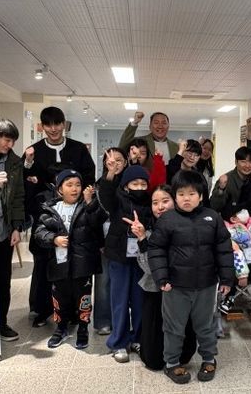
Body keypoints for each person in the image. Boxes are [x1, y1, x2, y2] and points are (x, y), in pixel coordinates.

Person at [147, 170, 234, 384]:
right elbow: (156, 250)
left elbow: (224, 250)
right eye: (181, 194)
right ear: (175, 196)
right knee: (173, 327)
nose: (187, 198)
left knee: (206, 325)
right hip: (175, 286)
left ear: (201, 196)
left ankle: (209, 358)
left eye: (192, 194)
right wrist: (162, 278)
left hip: (206, 285)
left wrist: (226, 279)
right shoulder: (167, 220)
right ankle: (172, 363)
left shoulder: (212, 217)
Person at [23, 106, 96, 328]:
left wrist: (79, 197)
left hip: (74, 214)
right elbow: (25, 181)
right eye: (48, 125)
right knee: (43, 261)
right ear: (42, 126)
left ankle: (71, 309)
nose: (53, 129)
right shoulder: (33, 151)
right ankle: (40, 308)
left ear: (64, 124)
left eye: (57, 124)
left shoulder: (78, 149)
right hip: (45, 214)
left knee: (71, 262)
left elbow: (89, 177)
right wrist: (28, 165)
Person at [123, 185, 196, 370]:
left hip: (182, 290)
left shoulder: (189, 227)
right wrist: (142, 238)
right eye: (155, 203)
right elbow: (148, 268)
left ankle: (179, 355)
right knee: (153, 359)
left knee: (184, 344)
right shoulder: (147, 231)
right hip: (154, 291)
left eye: (165, 201)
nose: (160, 207)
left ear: (175, 201)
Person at [34, 170, 105, 349]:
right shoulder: (50, 208)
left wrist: (90, 202)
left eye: (78, 185)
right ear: (59, 189)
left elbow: (97, 224)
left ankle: (83, 328)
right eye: (69, 185)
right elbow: (39, 233)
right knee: (60, 297)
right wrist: (54, 239)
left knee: (83, 298)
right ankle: (61, 328)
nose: (75, 189)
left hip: (82, 263)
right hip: (59, 264)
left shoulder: (87, 205)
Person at [99, 158, 154, 363]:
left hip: (141, 259)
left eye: (143, 184)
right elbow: (105, 195)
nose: (139, 188)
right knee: (120, 301)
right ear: (125, 185)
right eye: (134, 183)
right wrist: (110, 174)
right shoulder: (117, 198)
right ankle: (119, 342)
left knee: (140, 300)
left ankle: (138, 338)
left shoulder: (150, 202)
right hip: (119, 258)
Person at [0, 118, 25, 342]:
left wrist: (17, 227)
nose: (10, 145)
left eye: (12, 141)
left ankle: (1, 324)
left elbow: (19, 196)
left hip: (4, 231)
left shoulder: (14, 162)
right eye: (6, 140)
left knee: (3, 279)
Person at [92, 147, 128, 336]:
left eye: (119, 160)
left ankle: (122, 320)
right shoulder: (101, 184)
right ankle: (103, 321)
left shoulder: (130, 181)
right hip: (104, 238)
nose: (115, 163)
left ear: (126, 162)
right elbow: (96, 213)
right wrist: (99, 241)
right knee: (103, 281)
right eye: (110, 161)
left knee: (123, 282)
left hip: (125, 238)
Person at [209, 146, 251, 218]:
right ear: (236, 162)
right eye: (243, 161)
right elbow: (214, 207)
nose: (247, 166)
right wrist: (221, 189)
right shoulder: (226, 179)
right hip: (229, 220)